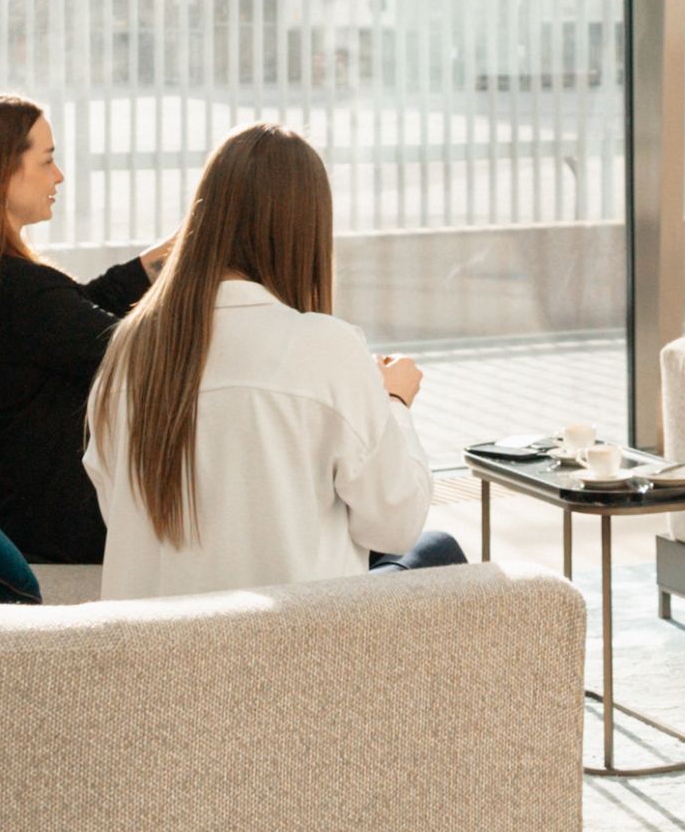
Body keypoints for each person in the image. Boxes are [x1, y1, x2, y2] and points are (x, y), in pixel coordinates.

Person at [85, 122, 466, 600]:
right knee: (436, 548)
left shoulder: (128, 348)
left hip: (156, 657)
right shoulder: (325, 347)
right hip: (290, 656)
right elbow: (394, 525)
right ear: (305, 231)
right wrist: (394, 402)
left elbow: (115, 509)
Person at [0, 95, 156, 565]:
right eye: (47, 161)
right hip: (50, 532)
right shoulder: (17, 290)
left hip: (8, 507)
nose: (58, 176)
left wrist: (154, 264)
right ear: (0, 172)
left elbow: (73, 311)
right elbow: (136, 350)